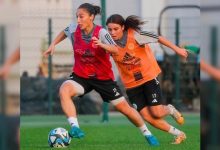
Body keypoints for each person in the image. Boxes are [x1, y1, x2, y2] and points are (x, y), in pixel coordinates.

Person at [44, 3, 159, 146]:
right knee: (64, 90)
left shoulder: (102, 33)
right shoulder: (74, 29)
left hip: (103, 79)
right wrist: (53, 44)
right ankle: (75, 127)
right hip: (81, 76)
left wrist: (101, 44)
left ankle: (147, 134)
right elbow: (64, 31)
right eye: (77, 17)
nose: (78, 20)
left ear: (91, 17)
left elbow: (116, 50)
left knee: (125, 109)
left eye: (81, 16)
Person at [106, 14, 188, 144]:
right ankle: (179, 134)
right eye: (109, 29)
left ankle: (170, 109)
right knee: (147, 117)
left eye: (115, 29)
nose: (112, 32)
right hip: (131, 85)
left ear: (123, 27)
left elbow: (158, 38)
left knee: (157, 113)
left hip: (148, 77)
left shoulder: (136, 35)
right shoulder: (108, 42)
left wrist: (177, 49)